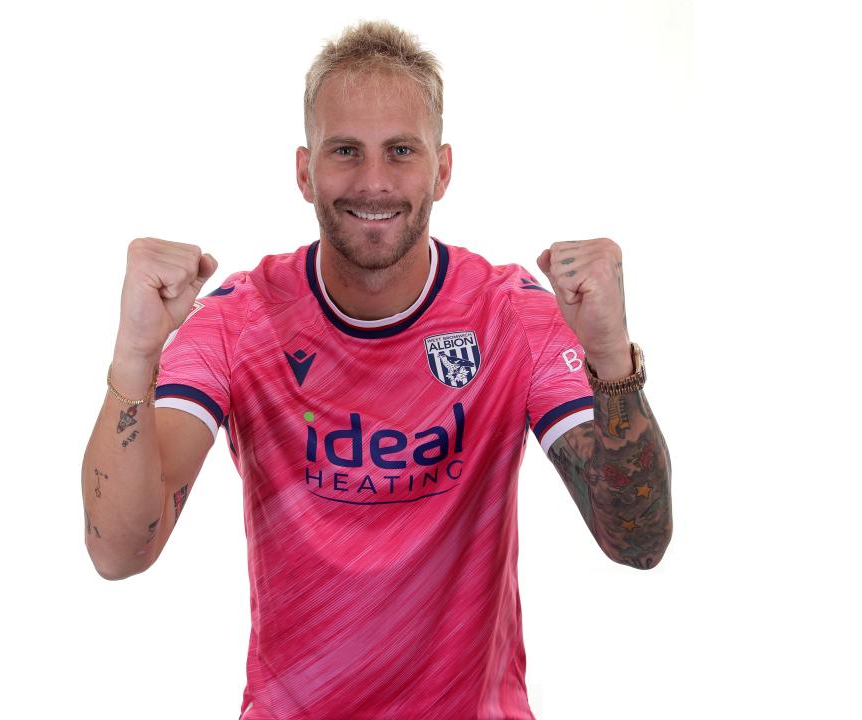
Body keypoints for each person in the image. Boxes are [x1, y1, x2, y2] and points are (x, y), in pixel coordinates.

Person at [82, 19, 672, 720]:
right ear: (304, 171)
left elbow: (637, 543)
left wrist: (610, 358)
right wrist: (135, 355)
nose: (373, 182)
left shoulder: (508, 313)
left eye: (400, 151)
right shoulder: (242, 318)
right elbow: (119, 552)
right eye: (344, 151)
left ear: (442, 169)